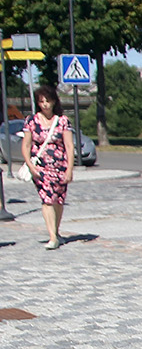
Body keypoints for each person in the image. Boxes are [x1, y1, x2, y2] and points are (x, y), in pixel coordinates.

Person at [21, 84, 77, 249]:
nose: (45, 104)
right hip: (41, 167)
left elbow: (69, 146)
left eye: (48, 101)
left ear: (54, 102)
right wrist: (31, 166)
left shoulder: (62, 121)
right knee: (47, 200)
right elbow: (26, 145)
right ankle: (52, 237)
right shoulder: (31, 121)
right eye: (41, 101)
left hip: (60, 166)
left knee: (58, 200)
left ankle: (56, 231)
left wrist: (70, 169)